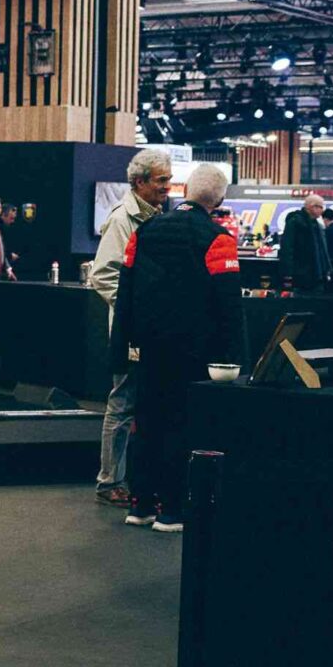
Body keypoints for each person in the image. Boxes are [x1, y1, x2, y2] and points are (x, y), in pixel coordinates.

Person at [112, 164, 245, 534]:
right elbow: (229, 306)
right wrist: (236, 359)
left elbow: (125, 294)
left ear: (185, 191)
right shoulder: (219, 238)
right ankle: (171, 510)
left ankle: (140, 505)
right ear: (219, 198)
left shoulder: (144, 231)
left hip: (148, 348)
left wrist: (120, 348)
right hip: (193, 352)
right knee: (180, 426)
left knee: (146, 422)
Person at [87, 149, 172, 507]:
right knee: (122, 402)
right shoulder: (123, 219)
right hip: (132, 331)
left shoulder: (156, 216)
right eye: (161, 180)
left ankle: (136, 479)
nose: (167, 187)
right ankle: (109, 481)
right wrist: (134, 310)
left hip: (150, 330)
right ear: (139, 182)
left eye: (168, 180)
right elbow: (102, 275)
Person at [278, 193, 331, 293]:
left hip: (318, 275)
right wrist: (288, 272)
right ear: (310, 207)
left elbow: (322, 250)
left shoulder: (317, 225)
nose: (321, 210)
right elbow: (287, 248)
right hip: (301, 275)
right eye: (319, 207)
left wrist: (327, 268)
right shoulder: (295, 222)